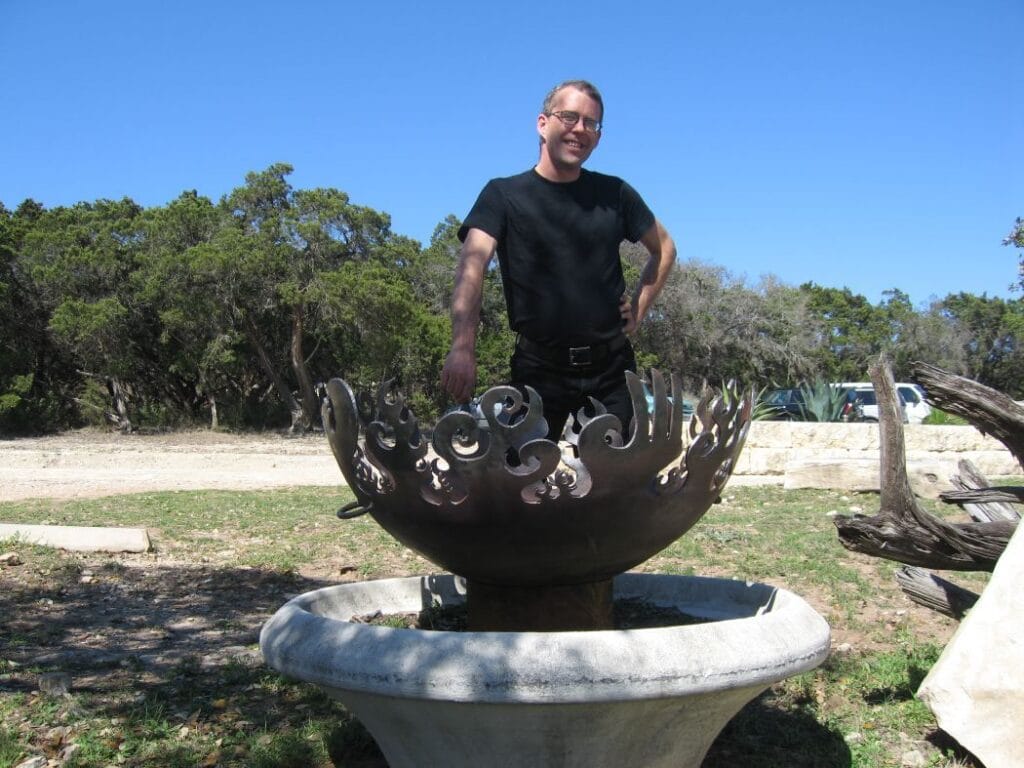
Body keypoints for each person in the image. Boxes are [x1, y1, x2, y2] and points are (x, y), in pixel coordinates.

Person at [440, 79, 677, 440]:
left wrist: (640, 308)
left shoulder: (615, 194)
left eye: (591, 123)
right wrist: (462, 347)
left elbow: (665, 248)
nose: (580, 129)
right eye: (569, 117)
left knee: (618, 488)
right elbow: (472, 267)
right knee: (521, 479)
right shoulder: (502, 196)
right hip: (539, 369)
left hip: (612, 369)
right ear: (542, 123)